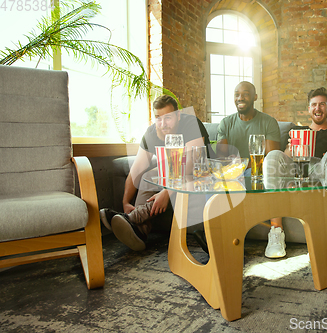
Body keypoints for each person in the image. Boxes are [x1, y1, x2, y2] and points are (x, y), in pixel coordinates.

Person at [100, 95, 211, 251]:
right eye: (158, 118)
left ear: (178, 116)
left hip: (200, 173)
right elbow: (137, 170)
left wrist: (166, 193)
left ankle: (133, 219)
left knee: (186, 172)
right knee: (146, 176)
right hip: (173, 172)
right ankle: (139, 231)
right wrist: (125, 202)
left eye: (168, 118)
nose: (163, 124)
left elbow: (189, 166)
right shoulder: (152, 132)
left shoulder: (191, 123)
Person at [263, 87, 327, 258]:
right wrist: (293, 147)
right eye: (313, 105)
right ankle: (276, 233)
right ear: (308, 109)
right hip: (298, 168)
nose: (317, 108)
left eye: (322, 104)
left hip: (325, 168)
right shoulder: (299, 131)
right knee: (273, 155)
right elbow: (285, 159)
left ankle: (322, 235)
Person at [216, 81, 281, 161]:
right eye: (237, 95)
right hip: (232, 171)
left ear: (255, 97)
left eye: (246, 94)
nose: (240, 98)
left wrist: (243, 163)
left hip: (258, 171)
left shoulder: (269, 123)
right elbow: (221, 158)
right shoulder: (225, 123)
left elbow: (272, 160)